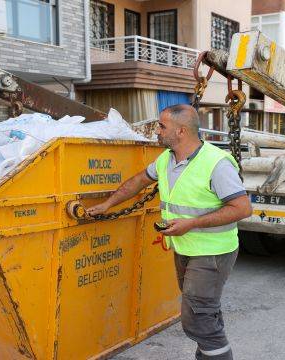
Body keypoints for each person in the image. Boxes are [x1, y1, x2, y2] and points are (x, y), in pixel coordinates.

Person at [87, 104, 252, 360]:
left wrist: (191, 224)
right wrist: (108, 204)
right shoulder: (166, 159)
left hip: (213, 252)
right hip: (186, 247)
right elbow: (139, 181)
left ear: (181, 131)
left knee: (197, 319)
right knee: (204, 312)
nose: (157, 131)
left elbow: (242, 208)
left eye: (162, 126)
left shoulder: (216, 163)